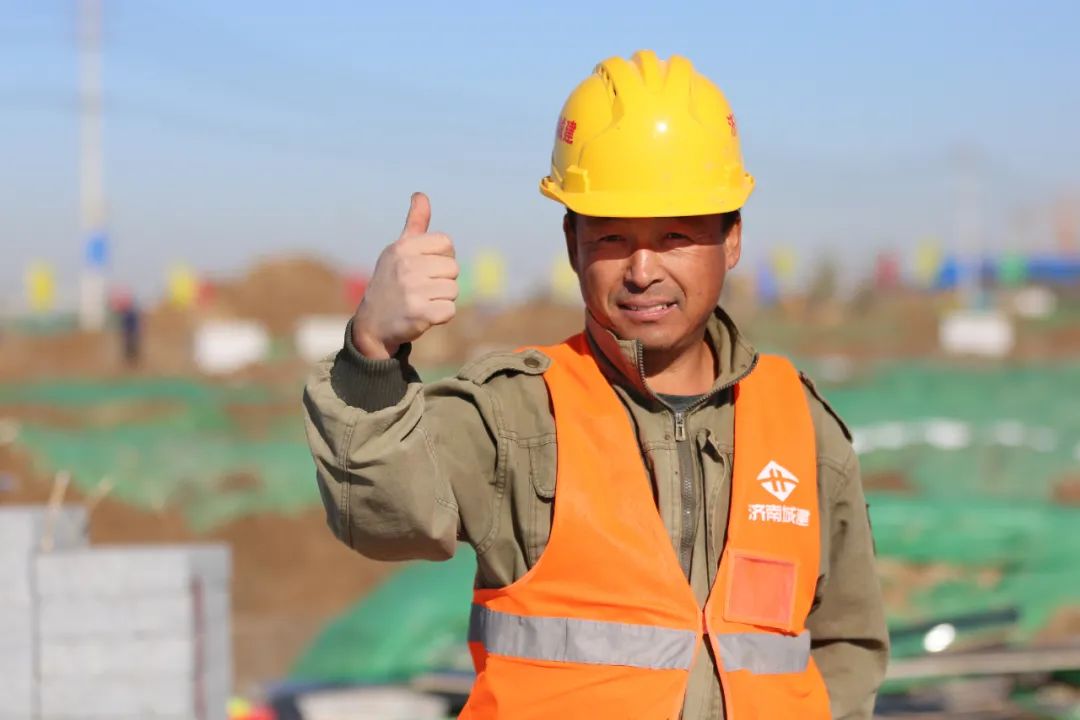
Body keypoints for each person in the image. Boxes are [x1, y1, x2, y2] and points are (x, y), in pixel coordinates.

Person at [303, 50, 888, 719]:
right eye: (611, 237)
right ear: (572, 241)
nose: (642, 270)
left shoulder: (799, 424)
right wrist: (373, 352)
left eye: (675, 235)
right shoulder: (517, 415)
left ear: (731, 239)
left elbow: (846, 642)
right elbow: (381, 519)